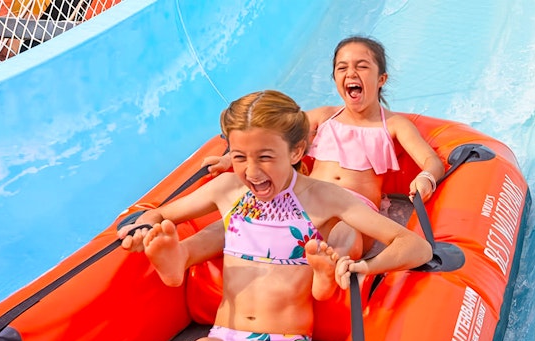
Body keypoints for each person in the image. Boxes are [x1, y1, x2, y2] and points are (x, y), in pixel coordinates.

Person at [118, 90, 431, 341]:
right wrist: (147, 230)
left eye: (265, 157)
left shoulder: (322, 198)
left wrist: (362, 266)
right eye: (239, 157)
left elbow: (414, 245)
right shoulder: (228, 191)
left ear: (296, 152)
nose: (251, 171)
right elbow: (157, 212)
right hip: (223, 338)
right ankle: (174, 259)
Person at [132, 35, 445, 301]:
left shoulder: (393, 125)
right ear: (335, 78)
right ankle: (182, 254)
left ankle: (326, 269)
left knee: (345, 231)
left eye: (362, 66)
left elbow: (430, 160)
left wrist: (426, 176)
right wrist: (232, 159)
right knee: (237, 219)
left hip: (352, 207)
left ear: (380, 80)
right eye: (342, 67)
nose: (351, 72)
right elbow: (274, 135)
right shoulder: (324, 117)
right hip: (307, 202)